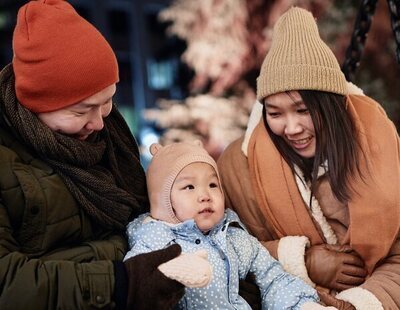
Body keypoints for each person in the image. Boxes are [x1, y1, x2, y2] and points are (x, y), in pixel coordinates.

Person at [0, 0, 185, 309]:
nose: (100, 122)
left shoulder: (111, 136)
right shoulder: (8, 160)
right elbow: (7, 282)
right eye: (80, 110)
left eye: (108, 101)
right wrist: (119, 282)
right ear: (38, 104)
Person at [217, 6, 400, 310]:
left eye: (303, 110)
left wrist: (360, 303)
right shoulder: (238, 168)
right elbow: (222, 249)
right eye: (275, 113)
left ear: (331, 105)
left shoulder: (379, 145)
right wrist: (301, 259)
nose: (291, 128)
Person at [123, 140, 340, 310]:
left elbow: (273, 279)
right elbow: (136, 287)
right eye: (189, 187)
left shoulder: (234, 237)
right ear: (162, 199)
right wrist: (169, 272)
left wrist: (303, 305)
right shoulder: (153, 240)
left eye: (212, 184)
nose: (205, 195)